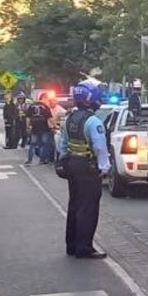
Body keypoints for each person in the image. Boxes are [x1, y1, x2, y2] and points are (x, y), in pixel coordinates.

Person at [56, 83, 111, 259]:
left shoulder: (70, 119)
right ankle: (84, 248)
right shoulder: (93, 122)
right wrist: (104, 167)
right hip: (88, 167)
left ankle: (71, 245)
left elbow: (62, 144)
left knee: (74, 205)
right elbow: (100, 147)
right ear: (91, 99)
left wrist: (64, 160)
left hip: (72, 164)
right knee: (88, 208)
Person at [25, 94, 54, 164]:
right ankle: (42, 160)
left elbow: (28, 118)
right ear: (44, 98)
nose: (48, 101)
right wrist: (54, 126)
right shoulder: (46, 107)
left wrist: (28, 127)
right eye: (47, 99)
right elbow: (49, 118)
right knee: (44, 144)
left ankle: (29, 160)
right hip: (44, 128)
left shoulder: (31, 106)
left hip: (34, 128)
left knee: (32, 144)